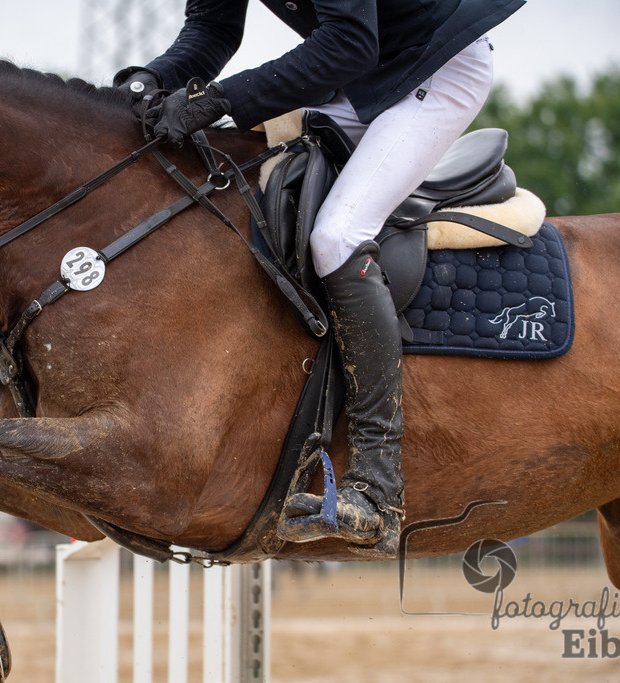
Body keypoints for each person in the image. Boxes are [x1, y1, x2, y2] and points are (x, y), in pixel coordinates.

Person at [115, 0, 525, 555]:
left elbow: (350, 40)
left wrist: (217, 100)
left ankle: (377, 487)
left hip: (433, 64)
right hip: (360, 74)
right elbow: (212, 28)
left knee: (337, 235)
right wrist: (150, 80)